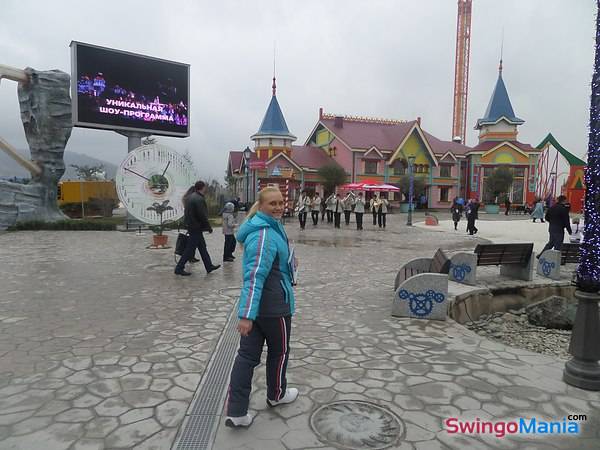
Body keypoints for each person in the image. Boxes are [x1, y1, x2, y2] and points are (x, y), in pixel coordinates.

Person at [225, 186, 298, 428]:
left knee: (246, 357)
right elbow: (254, 277)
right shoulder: (264, 235)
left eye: (280, 202)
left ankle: (236, 412)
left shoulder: (267, 228)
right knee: (278, 353)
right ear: (262, 205)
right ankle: (276, 395)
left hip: (262, 307)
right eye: (272, 204)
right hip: (274, 309)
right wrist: (246, 315)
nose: (278, 207)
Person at [175, 181, 220, 276]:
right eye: (205, 187)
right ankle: (179, 268)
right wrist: (208, 227)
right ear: (202, 188)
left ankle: (209, 266)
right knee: (189, 249)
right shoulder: (198, 199)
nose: (206, 189)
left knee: (202, 247)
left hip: (192, 226)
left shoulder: (191, 197)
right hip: (195, 227)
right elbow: (202, 215)